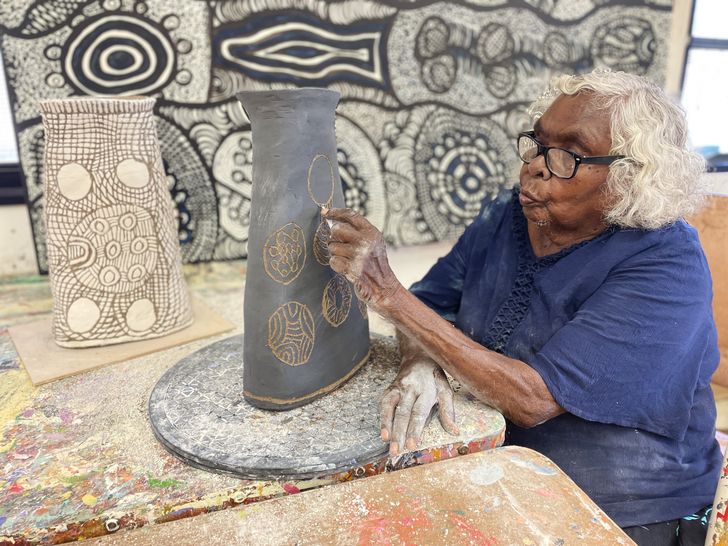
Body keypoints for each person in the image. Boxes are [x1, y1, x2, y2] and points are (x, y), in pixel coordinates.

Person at [323, 69, 722, 545]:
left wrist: (388, 293)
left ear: (629, 177)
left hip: (626, 500)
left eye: (568, 155)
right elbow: (432, 301)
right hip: (500, 460)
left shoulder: (664, 263)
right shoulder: (512, 212)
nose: (534, 166)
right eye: (537, 142)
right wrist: (421, 359)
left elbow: (534, 399)